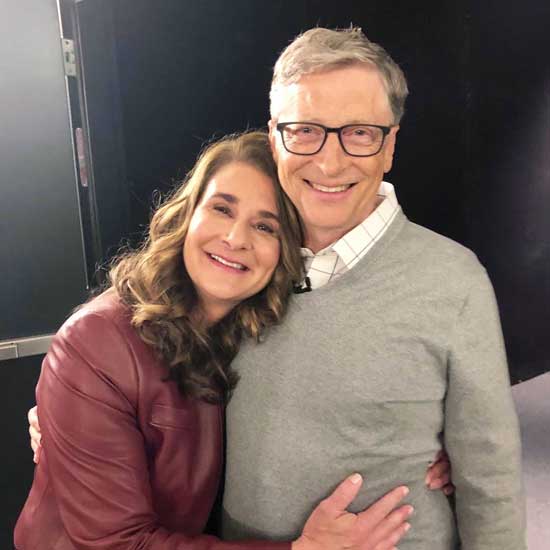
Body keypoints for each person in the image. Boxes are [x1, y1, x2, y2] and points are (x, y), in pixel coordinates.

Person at [15, 131, 421, 549]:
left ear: (286, 251)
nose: (235, 238)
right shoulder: (96, 343)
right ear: (188, 214)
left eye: (265, 226)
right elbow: (117, 544)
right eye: (221, 209)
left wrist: (423, 445)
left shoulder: (259, 329)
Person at [219, 28, 526, 549]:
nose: (331, 162)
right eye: (305, 131)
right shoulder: (236, 259)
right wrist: (76, 402)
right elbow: (148, 325)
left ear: (390, 146)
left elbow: (489, 481)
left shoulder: (453, 280)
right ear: (275, 139)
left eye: (359, 133)